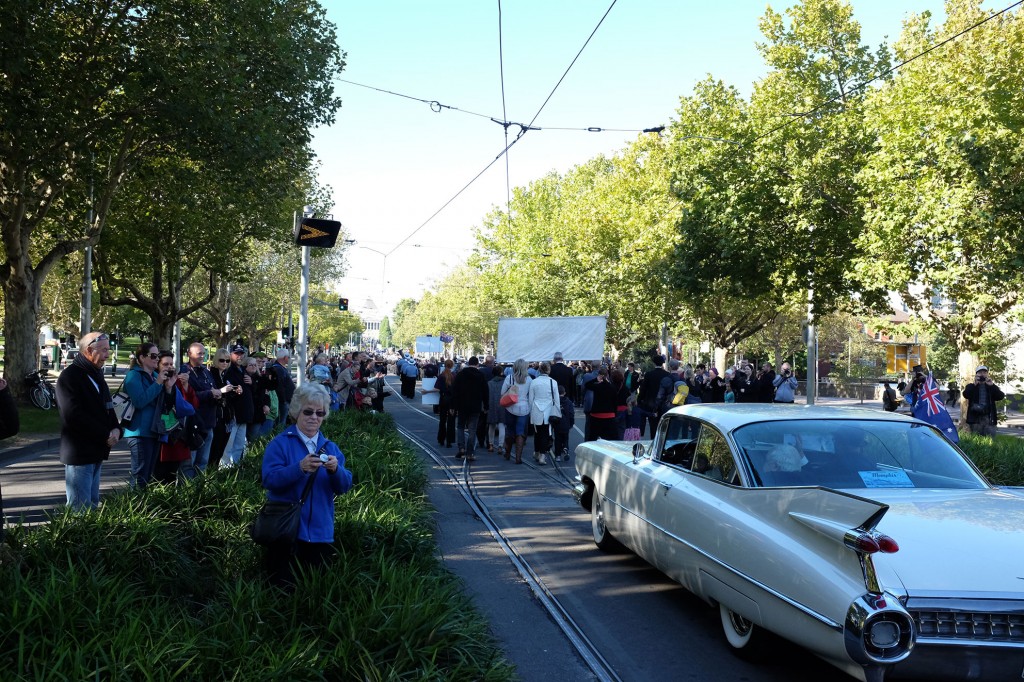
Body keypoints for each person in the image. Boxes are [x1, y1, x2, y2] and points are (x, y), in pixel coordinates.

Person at [260, 383, 353, 587]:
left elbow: (344, 486)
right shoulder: (280, 443)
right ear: (296, 412)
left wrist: (336, 470)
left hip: (320, 533)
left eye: (320, 413)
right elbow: (269, 480)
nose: (314, 417)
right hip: (286, 532)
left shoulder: (330, 447)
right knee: (282, 591)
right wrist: (299, 468)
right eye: (308, 411)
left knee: (315, 592)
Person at [55, 332, 118, 509]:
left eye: (109, 350)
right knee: (79, 509)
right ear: (89, 350)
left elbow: (108, 406)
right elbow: (73, 415)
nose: (108, 354)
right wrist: (105, 434)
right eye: (104, 350)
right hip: (80, 452)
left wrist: (116, 428)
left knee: (91, 504)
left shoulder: (97, 374)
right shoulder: (70, 377)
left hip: (96, 449)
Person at [122, 342, 176, 489]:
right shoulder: (134, 375)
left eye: (157, 356)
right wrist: (158, 383)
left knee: (147, 476)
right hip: (139, 432)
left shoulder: (155, 376)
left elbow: (166, 404)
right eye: (153, 356)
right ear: (141, 357)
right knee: (139, 476)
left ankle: (142, 507)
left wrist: (169, 388)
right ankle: (134, 508)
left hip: (154, 430)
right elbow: (140, 401)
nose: (157, 359)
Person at [153, 351, 198, 484]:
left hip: (177, 435)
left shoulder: (176, 381)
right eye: (165, 364)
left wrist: (185, 386)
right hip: (161, 436)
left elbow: (191, 406)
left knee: (173, 474)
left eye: (171, 364)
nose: (169, 367)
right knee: (158, 475)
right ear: (158, 366)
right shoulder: (155, 381)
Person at [181, 342, 221, 477]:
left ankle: (199, 491)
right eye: (199, 353)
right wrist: (210, 393)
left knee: (203, 461)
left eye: (204, 353)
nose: (202, 356)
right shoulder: (184, 371)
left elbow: (213, 389)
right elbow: (188, 396)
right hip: (193, 424)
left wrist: (218, 394)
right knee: (189, 463)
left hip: (208, 423)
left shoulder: (206, 372)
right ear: (189, 354)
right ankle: (187, 493)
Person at [450, 356, 489, 461]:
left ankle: (461, 448)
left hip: (462, 406)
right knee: (472, 429)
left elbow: (454, 391)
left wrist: (453, 406)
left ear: (468, 363)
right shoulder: (481, 375)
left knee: (461, 427)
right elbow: (486, 392)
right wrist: (486, 406)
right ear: (477, 364)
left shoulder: (461, 374)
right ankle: (470, 453)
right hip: (476, 406)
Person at [220, 344, 251, 468]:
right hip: (232, 415)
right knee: (228, 446)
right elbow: (225, 392)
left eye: (241, 353)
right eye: (237, 353)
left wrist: (251, 382)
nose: (240, 356)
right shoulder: (229, 370)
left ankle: (235, 471)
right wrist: (235, 391)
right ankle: (225, 471)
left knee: (239, 446)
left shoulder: (243, 370)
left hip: (243, 415)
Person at [526, 361, 561, 465]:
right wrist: (558, 413)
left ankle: (536, 452)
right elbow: (557, 399)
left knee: (537, 433)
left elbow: (530, 399)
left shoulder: (534, 382)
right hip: (548, 410)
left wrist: (530, 412)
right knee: (546, 434)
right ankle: (542, 455)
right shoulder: (553, 382)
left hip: (536, 409)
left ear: (540, 370)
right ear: (549, 370)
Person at [501, 359, 533, 464]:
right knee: (520, 432)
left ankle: (508, 452)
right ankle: (518, 457)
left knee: (510, 431)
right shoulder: (529, 380)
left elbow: (502, 392)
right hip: (524, 409)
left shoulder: (509, 378)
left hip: (510, 407)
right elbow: (531, 396)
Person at [208, 348, 234, 470]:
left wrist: (235, 390)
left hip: (226, 417)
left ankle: (213, 473)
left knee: (221, 449)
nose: (225, 363)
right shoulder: (211, 374)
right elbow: (212, 393)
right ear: (216, 360)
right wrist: (222, 391)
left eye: (227, 360)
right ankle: (209, 474)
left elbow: (227, 395)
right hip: (217, 417)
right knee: (214, 449)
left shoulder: (225, 375)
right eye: (222, 360)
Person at [962, 365, 1005, 436]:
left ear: (987, 374)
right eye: (980, 372)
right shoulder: (971, 386)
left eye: (984, 372)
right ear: (976, 374)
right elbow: (966, 395)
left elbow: (1000, 396)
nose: (982, 374)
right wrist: (974, 385)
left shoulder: (991, 386)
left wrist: (992, 386)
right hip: (975, 418)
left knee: (990, 439)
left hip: (989, 417)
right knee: (976, 440)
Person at [423, 359, 456, 447]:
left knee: (442, 420)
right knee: (451, 421)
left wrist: (427, 391)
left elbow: (437, 389)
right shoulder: (454, 376)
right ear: (452, 366)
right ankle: (449, 441)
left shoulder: (441, 376)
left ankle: (441, 439)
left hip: (443, 399)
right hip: (452, 400)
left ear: (444, 365)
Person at [585, 367, 619, 442]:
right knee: (611, 437)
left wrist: (596, 379)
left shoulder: (597, 386)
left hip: (596, 414)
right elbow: (615, 402)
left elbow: (587, 385)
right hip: (609, 415)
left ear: (599, 375)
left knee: (593, 436)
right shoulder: (612, 387)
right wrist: (615, 413)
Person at [267, 349, 295, 427]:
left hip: (284, 401)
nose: (289, 359)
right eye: (288, 357)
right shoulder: (278, 369)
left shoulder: (280, 368)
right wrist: (283, 401)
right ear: (285, 358)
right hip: (282, 402)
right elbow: (279, 386)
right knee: (281, 423)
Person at [553, 385, 575, 461]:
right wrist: (571, 423)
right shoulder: (568, 402)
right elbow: (571, 414)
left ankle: (558, 455)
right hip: (566, 423)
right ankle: (565, 448)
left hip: (557, 423)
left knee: (557, 439)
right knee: (566, 437)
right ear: (564, 393)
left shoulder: (555, 401)